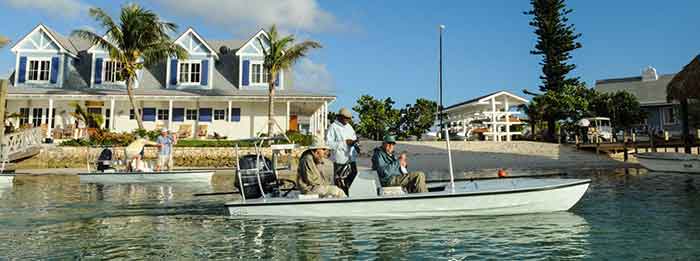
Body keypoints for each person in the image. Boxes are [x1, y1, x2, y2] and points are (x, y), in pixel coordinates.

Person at [325, 108, 359, 195]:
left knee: (353, 178)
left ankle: (349, 196)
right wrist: (344, 143)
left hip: (351, 159)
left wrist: (355, 144)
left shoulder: (349, 127)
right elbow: (328, 144)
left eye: (349, 118)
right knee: (339, 181)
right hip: (339, 160)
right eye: (346, 118)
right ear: (340, 117)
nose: (347, 120)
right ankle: (341, 198)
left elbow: (353, 139)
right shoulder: (333, 127)